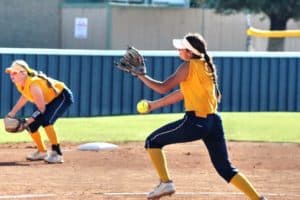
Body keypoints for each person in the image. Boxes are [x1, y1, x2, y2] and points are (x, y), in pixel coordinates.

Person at [137, 33, 267, 200]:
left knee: (152, 141)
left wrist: (141, 75)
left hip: (195, 122)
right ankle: (258, 199)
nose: (178, 50)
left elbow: (163, 87)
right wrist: (153, 105)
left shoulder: (188, 66)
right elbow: (181, 93)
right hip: (214, 122)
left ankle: (165, 183)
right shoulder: (205, 64)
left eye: (181, 48)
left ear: (189, 53)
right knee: (225, 169)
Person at [5, 60, 74, 164]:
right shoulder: (20, 83)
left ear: (23, 73)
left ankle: (57, 153)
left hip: (62, 96)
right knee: (32, 126)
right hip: (50, 100)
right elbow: (25, 97)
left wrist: (27, 122)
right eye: (10, 72)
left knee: (47, 121)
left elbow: (41, 109)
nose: (11, 75)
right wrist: (12, 112)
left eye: (14, 72)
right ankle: (42, 151)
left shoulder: (34, 84)